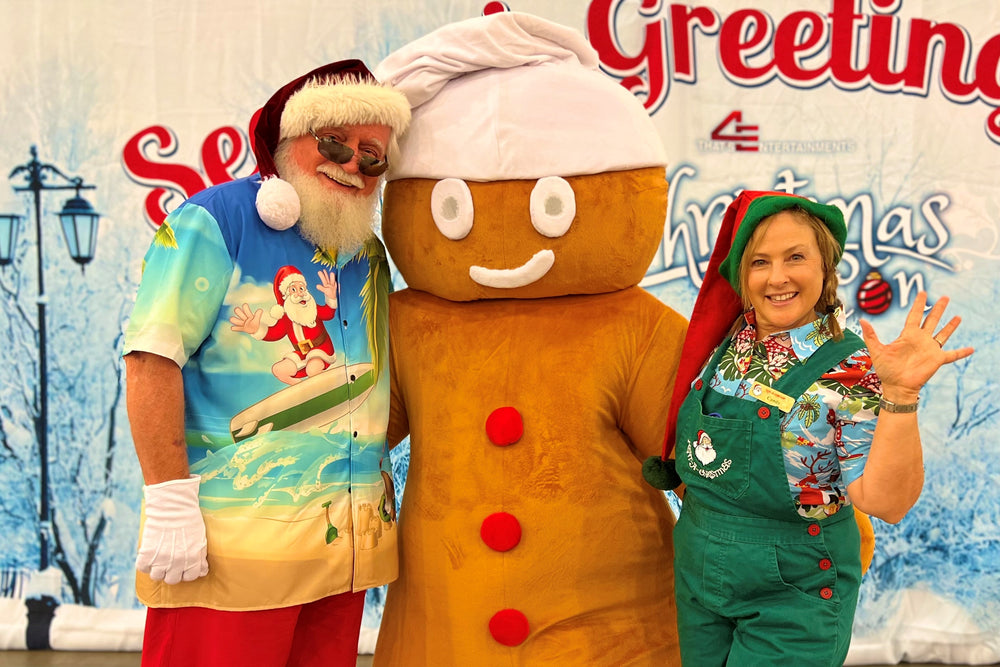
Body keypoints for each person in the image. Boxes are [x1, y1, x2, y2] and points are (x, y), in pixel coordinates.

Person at [122, 59, 410, 667]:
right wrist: (170, 499)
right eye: (335, 142)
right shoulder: (214, 223)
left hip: (343, 557)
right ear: (285, 141)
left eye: (373, 155)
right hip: (234, 557)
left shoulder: (367, 255)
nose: (354, 164)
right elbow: (151, 360)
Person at [642, 190, 974, 667]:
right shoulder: (727, 340)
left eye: (795, 257)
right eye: (759, 262)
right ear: (741, 275)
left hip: (793, 591)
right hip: (700, 576)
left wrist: (899, 395)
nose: (777, 277)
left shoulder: (852, 368)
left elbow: (887, 502)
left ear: (826, 267)